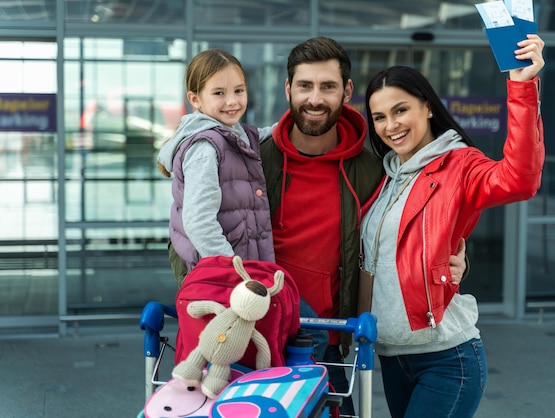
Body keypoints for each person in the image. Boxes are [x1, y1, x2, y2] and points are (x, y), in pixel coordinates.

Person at [260, 36, 468, 416]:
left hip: (331, 348)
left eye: (328, 86)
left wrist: (454, 257)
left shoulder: (374, 168)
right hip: (260, 343)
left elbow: (409, 230)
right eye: (305, 85)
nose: (315, 98)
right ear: (288, 88)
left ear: (347, 91)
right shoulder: (256, 159)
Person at [361, 35, 546, 417]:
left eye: (401, 110)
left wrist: (522, 87)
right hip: (393, 358)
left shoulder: (459, 164)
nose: (390, 125)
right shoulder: (386, 176)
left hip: (447, 359)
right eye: (379, 117)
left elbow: (520, 179)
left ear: (427, 107)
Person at [156, 49, 275, 287]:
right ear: (195, 99)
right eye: (219, 93)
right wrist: (237, 274)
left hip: (232, 270)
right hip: (220, 277)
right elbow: (199, 221)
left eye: (239, 91)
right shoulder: (205, 148)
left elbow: (263, 135)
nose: (232, 101)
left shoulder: (234, 132)